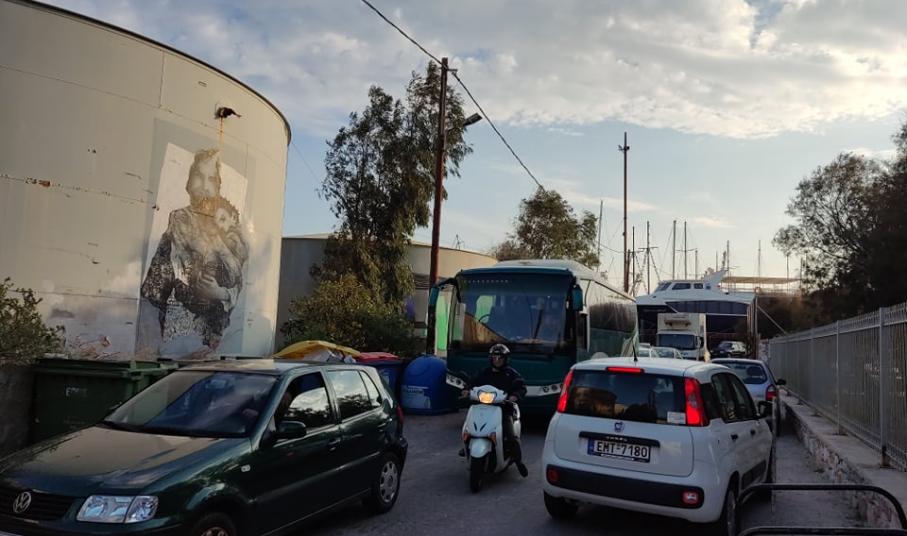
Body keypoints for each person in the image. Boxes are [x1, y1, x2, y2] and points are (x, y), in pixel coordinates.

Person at [461, 343, 529, 477]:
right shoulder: (484, 372)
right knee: (468, 427)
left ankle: (518, 460)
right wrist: (466, 389)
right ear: (490, 358)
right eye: (494, 357)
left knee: (510, 436)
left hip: (503, 409)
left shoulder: (511, 374)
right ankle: (467, 447)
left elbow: (521, 386)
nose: (497, 360)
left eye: (500, 358)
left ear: (505, 359)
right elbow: (472, 382)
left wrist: (515, 395)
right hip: (483, 407)